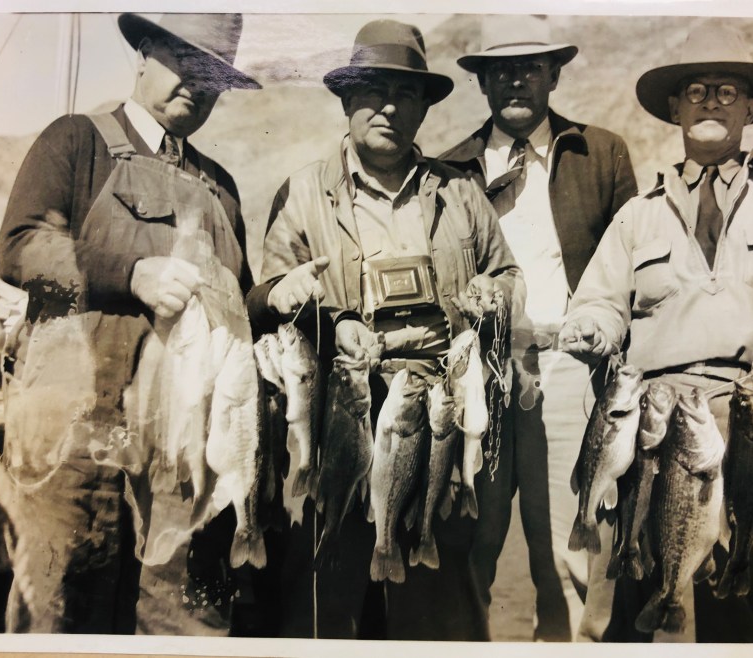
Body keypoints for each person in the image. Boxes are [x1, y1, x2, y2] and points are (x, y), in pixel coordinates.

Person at [557, 20, 753, 643]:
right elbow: (598, 301)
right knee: (625, 611)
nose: (711, 102)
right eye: (696, 91)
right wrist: (591, 329)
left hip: (751, 421)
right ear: (675, 107)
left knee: (742, 612)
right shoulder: (638, 214)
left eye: (727, 91)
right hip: (649, 424)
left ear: (751, 107)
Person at [243, 19, 521, 641]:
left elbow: (507, 274)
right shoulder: (303, 193)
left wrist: (493, 295)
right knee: (326, 599)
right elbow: (274, 298)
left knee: (438, 606)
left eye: (406, 93)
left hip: (439, 412)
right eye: (373, 90)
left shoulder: (461, 193)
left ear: (424, 107)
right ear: (346, 100)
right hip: (338, 411)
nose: (389, 107)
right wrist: (326, 317)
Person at [0, 13, 259, 634]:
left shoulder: (221, 190)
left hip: (182, 458)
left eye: (212, 74)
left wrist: (277, 298)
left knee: (183, 624)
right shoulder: (75, 141)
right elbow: (21, 246)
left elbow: (237, 316)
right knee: (57, 611)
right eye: (182, 61)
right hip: (72, 444)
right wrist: (132, 272)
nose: (195, 83)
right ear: (142, 54)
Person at [440, 15, 638, 641]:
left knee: (571, 551)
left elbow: (631, 270)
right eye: (500, 70)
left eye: (530, 67)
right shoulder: (448, 170)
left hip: (571, 371)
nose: (515, 80)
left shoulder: (601, 153)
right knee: (468, 542)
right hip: (482, 377)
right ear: (481, 82)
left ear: (554, 74)